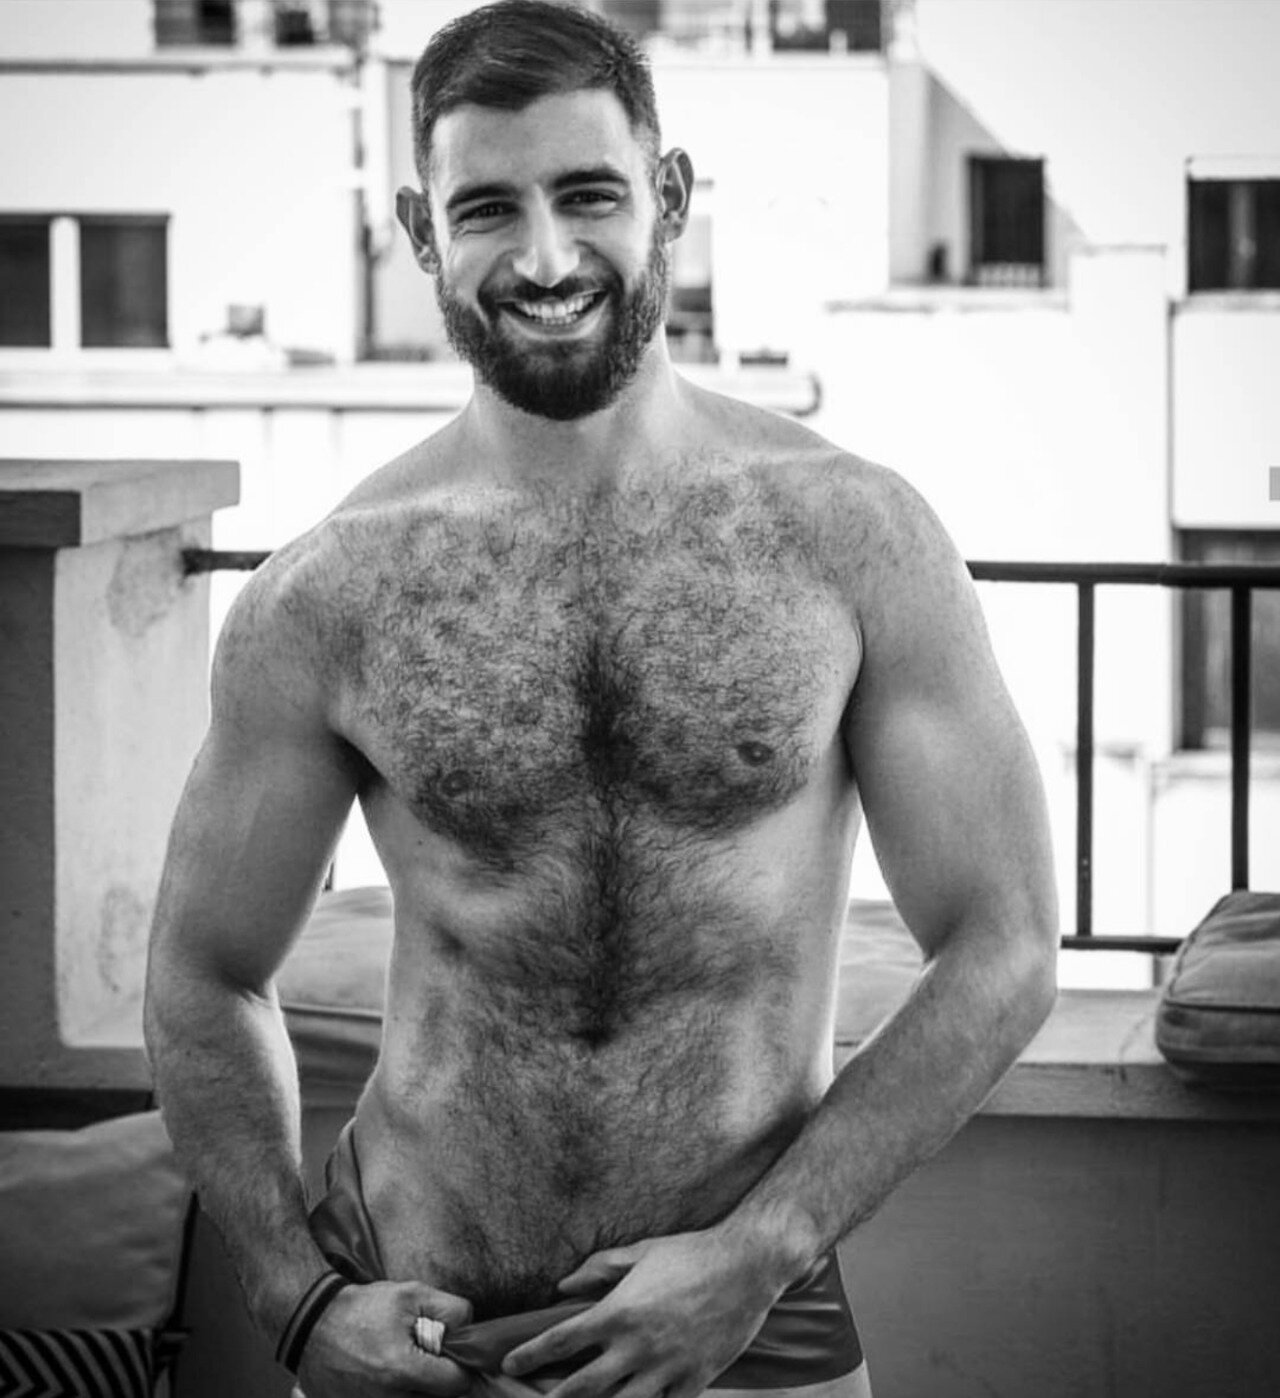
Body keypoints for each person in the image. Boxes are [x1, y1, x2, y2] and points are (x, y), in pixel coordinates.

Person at [144, 3, 1059, 1396]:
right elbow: (203, 971)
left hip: (749, 1316)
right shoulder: (330, 591)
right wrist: (294, 1297)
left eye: (588, 195)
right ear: (421, 231)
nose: (547, 258)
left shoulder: (852, 539)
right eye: (488, 209)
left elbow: (1004, 944)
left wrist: (760, 1252)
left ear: (669, 197)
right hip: (421, 1324)